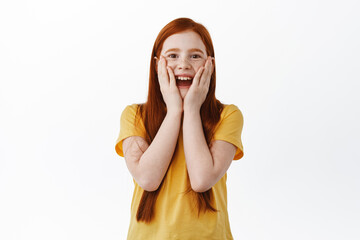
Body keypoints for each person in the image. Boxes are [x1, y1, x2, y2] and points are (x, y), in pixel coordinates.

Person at [115, 17, 244, 240]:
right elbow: (147, 178)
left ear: (210, 64)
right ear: (157, 65)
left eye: (195, 56)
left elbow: (202, 180)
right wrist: (175, 111)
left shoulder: (228, 115)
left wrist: (191, 110)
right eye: (173, 56)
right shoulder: (135, 115)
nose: (184, 64)